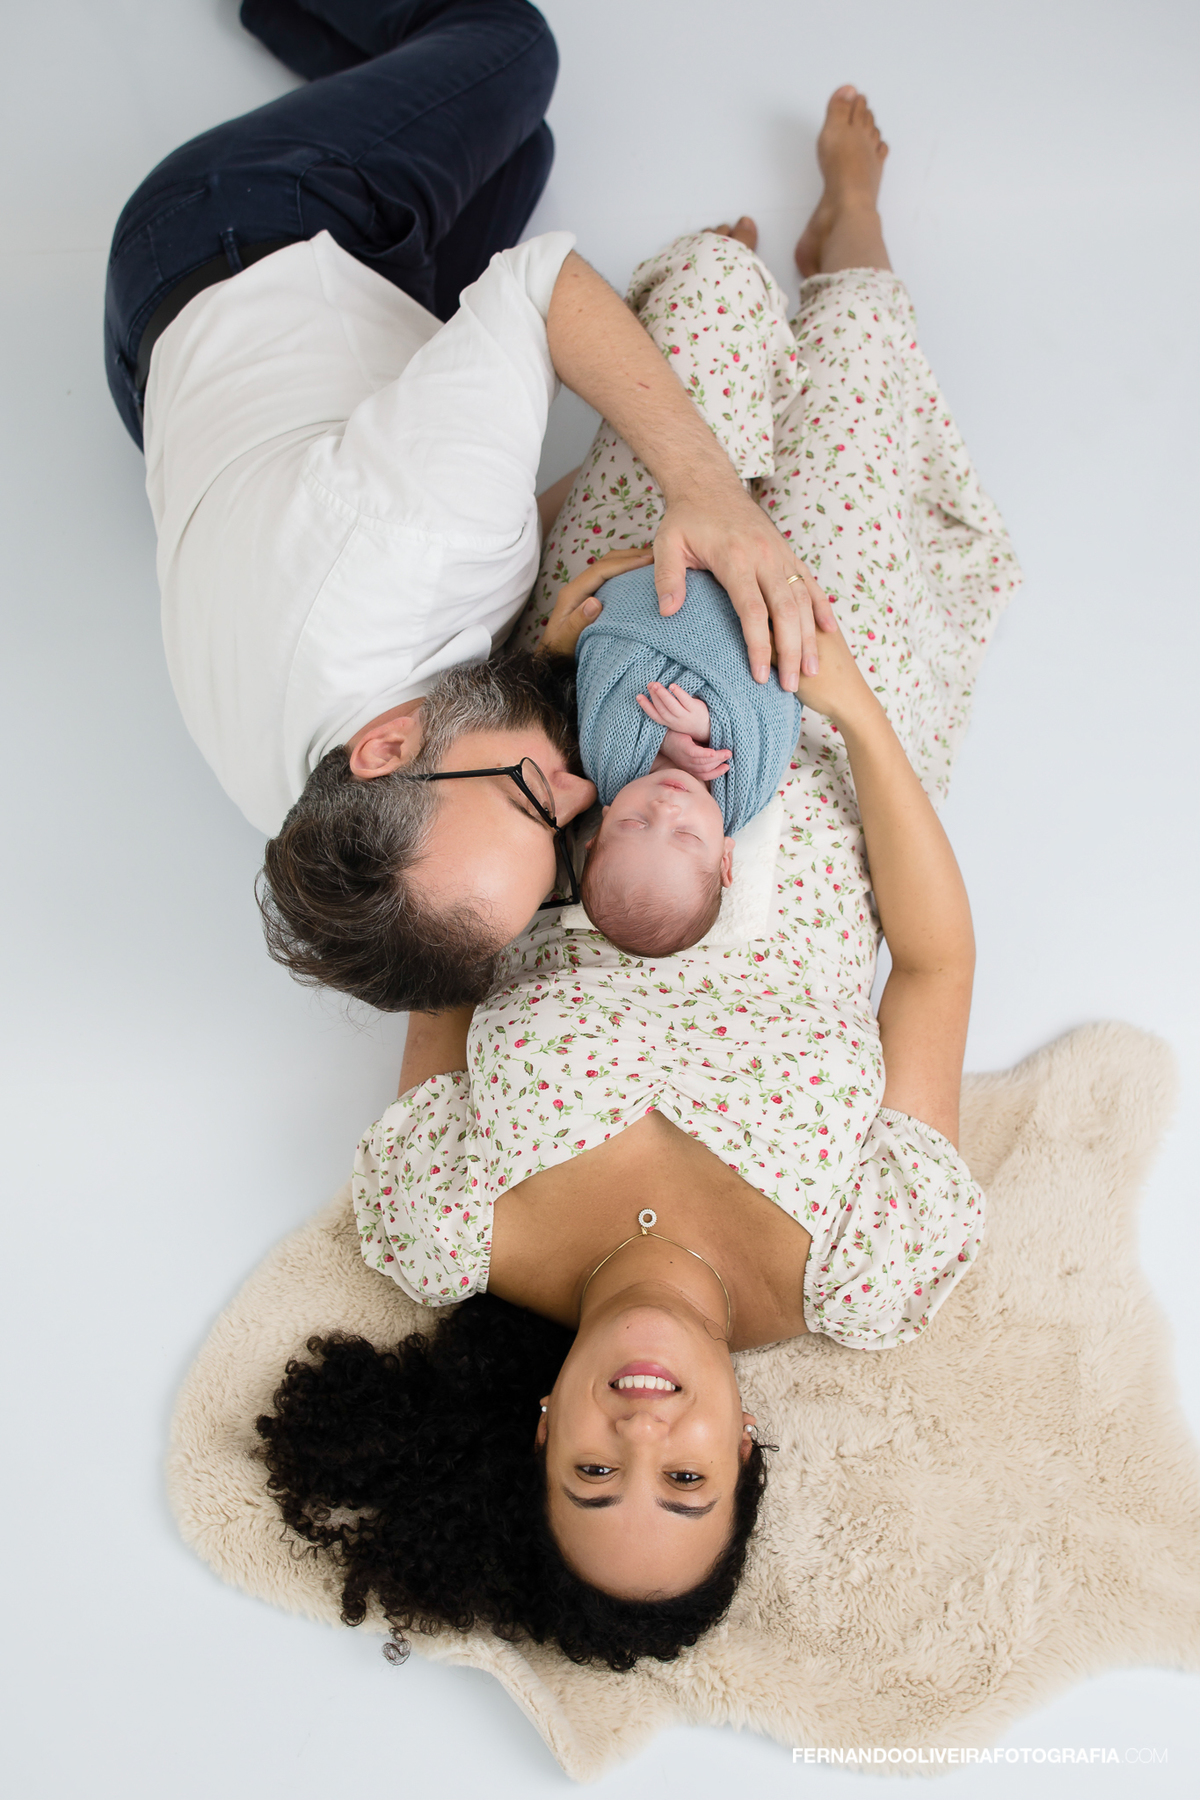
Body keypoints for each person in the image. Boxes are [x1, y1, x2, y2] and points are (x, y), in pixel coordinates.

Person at [258, 88, 1023, 1671]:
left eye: (593, 1473)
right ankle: (854, 235)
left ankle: (729, 285)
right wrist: (852, 705)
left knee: (711, 343)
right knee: (856, 399)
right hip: (825, 745)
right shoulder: (871, 1265)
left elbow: (460, 941)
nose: (640, 1434)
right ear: (747, 1452)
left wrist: (549, 669)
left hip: (623, 704)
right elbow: (936, 971)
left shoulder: (446, 1223)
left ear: (539, 1429)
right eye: (683, 1483)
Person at [104, 0, 832, 1015]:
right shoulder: (321, 825)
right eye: (565, 832)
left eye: (532, 796)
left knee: (516, 52)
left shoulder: (414, 534)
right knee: (524, 155)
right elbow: (501, 553)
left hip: (243, 226)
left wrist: (708, 491)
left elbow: (541, 286)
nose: (586, 789)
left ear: (387, 750)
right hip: (179, 387)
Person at [563, 558, 803, 955]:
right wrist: (707, 724)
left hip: (653, 597)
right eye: (687, 835)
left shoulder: (606, 764)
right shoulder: (747, 793)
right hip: (752, 605)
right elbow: (771, 717)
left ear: (598, 829)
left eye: (634, 823)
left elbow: (610, 698)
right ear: (726, 858)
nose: (666, 808)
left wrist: (667, 740)